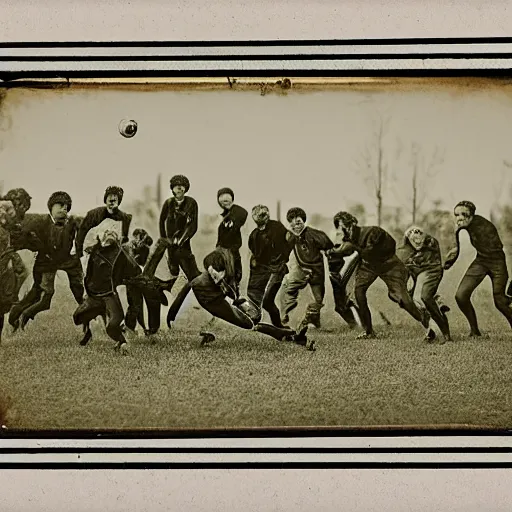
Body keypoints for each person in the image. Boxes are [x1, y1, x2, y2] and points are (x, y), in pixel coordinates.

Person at [168, 247, 315, 350]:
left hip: (218, 304)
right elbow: (183, 293)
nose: (216, 278)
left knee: (251, 323)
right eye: (212, 275)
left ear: (224, 271)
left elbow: (230, 293)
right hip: (208, 306)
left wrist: (240, 302)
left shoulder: (226, 276)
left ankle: (291, 336)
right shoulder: (199, 282)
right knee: (248, 325)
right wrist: (171, 315)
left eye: (218, 275)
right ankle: (289, 335)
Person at [332, 212, 431, 340]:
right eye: (340, 227)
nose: (345, 230)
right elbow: (345, 251)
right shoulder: (349, 240)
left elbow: (391, 245)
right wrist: (332, 251)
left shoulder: (373, 231)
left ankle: (426, 320)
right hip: (368, 267)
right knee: (359, 293)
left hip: (389, 265)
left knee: (401, 298)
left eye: (345, 226)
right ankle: (369, 332)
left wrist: (359, 250)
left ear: (352, 224)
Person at [9, 191, 84, 330]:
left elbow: (86, 224)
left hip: (68, 261)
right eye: (60, 205)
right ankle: (17, 316)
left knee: (80, 291)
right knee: (40, 296)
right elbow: (22, 235)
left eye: (66, 206)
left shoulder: (72, 221)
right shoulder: (40, 221)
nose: (64, 208)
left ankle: (87, 318)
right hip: (46, 263)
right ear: (51, 207)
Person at [73, 220, 147, 353]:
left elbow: (135, 270)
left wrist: (133, 281)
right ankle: (90, 332)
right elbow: (87, 274)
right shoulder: (93, 250)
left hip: (110, 295)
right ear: (99, 235)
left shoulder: (120, 253)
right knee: (78, 317)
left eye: (112, 232)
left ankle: (122, 343)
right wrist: (86, 292)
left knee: (112, 325)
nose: (109, 234)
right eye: (106, 232)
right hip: (94, 295)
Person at [444, 200, 512, 337]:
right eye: (456, 214)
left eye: (464, 214)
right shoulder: (465, 225)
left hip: (497, 263)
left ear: (472, 215)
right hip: (481, 260)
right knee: (461, 296)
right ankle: (475, 331)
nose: (460, 217)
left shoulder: (485, 227)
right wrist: (448, 261)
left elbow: (498, 249)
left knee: (500, 301)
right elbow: (455, 246)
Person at [280, 207, 334, 330]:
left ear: (303, 221)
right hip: (300, 270)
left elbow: (330, 249)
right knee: (287, 290)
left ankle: (314, 321)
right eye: (292, 224)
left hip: (316, 272)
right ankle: (284, 317)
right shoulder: (290, 237)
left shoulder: (315, 235)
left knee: (318, 300)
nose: (296, 227)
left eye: (298, 222)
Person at [397, 225, 452, 343]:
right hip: (417, 274)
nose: (417, 243)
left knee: (423, 298)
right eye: (414, 240)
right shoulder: (406, 247)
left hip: (430, 271)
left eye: (419, 239)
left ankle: (444, 333)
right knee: (415, 301)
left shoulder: (431, 242)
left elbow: (430, 264)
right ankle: (432, 327)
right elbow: (405, 263)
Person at [247, 204, 292, 327]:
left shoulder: (277, 228)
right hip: (263, 269)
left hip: (277, 268)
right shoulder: (254, 235)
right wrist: (255, 261)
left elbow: (289, 241)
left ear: (267, 215)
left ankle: (279, 327)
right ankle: (257, 319)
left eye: (263, 214)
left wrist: (282, 258)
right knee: (254, 294)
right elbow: (255, 253)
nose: (261, 217)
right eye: (257, 215)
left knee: (267, 301)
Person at [75, 185, 132, 259]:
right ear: (106, 200)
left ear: (118, 202)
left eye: (114, 201)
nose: (112, 203)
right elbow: (81, 235)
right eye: (110, 200)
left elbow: (125, 240)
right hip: (93, 253)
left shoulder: (124, 218)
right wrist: (80, 255)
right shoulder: (93, 215)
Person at [327, 212, 361, 329]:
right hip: (334, 271)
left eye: (344, 224)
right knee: (340, 305)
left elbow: (351, 250)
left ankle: (363, 324)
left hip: (348, 269)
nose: (342, 227)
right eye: (340, 224)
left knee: (351, 297)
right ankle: (354, 324)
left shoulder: (353, 237)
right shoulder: (335, 234)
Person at [216, 187, 248, 291]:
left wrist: (232, 220)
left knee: (234, 276)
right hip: (223, 251)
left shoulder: (237, 211)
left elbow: (243, 213)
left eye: (227, 201)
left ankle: (234, 292)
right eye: (222, 202)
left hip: (232, 250)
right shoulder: (226, 215)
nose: (224, 204)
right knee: (226, 276)